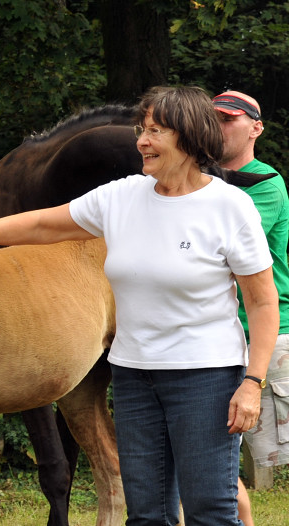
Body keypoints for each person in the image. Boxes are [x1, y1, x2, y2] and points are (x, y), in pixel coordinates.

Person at [0, 86, 279, 525]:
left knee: (210, 510)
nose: (141, 141)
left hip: (205, 379)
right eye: (141, 130)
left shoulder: (230, 207)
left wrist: (252, 382)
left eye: (155, 131)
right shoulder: (122, 196)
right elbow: (41, 223)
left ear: (188, 137)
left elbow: (262, 303)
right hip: (135, 380)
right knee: (146, 514)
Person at [214, 90, 289, 526]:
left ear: (255, 128)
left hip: (263, 333)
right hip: (216, 335)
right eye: (212, 119)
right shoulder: (198, 182)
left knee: (262, 459)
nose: (218, 126)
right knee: (214, 458)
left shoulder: (266, 184)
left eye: (228, 119)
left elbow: (221, 244)